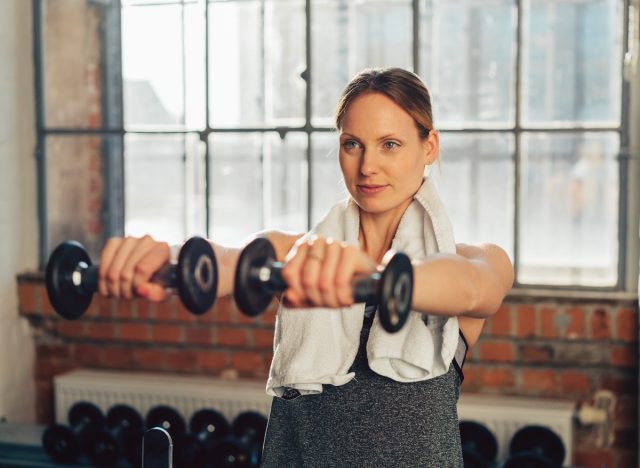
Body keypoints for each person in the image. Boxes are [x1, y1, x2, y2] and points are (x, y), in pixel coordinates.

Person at [97, 67, 513, 467]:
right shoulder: (299, 257)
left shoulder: (475, 260)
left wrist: (372, 279)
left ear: (429, 147)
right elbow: (227, 261)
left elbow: (473, 287)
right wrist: (165, 261)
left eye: (390, 144)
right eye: (353, 144)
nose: (368, 166)